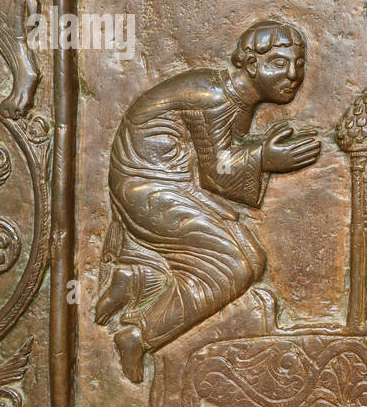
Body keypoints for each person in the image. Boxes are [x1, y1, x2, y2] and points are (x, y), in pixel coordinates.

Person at [95, 20, 321, 382]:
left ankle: (136, 276)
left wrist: (260, 150)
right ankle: (137, 333)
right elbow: (218, 171)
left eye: (298, 64)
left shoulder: (229, 94)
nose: (293, 74)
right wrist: (265, 158)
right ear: (250, 64)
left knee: (250, 256)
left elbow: (216, 158)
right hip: (148, 186)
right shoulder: (217, 99)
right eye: (279, 64)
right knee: (234, 264)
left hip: (162, 180)